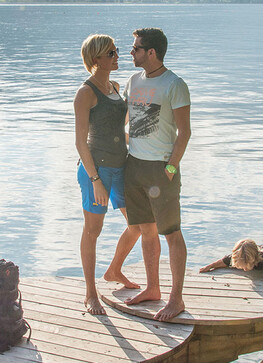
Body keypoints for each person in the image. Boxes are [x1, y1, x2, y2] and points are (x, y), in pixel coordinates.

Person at [123, 27, 191, 322]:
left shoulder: (174, 84)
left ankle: (176, 298)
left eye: (136, 48)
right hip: (134, 165)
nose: (131, 52)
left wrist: (171, 169)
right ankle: (153, 288)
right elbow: (127, 121)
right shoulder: (133, 80)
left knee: (171, 233)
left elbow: (185, 133)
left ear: (151, 52)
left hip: (161, 169)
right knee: (147, 230)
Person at [74, 34, 141, 315]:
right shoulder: (86, 93)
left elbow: (119, 127)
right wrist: (96, 180)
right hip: (97, 170)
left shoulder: (114, 87)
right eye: (111, 52)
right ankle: (90, 293)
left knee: (137, 224)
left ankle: (114, 270)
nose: (117, 56)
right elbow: (80, 142)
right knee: (93, 231)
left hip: (121, 165)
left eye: (115, 51)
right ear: (96, 59)